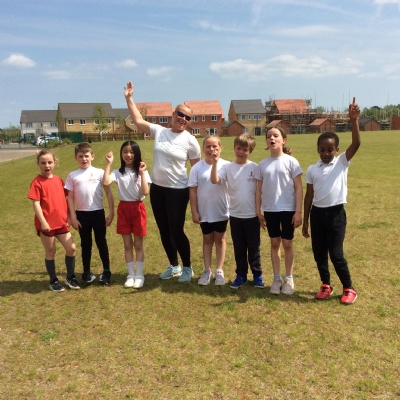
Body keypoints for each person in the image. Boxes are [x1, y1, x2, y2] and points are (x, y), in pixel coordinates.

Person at [124, 81, 201, 283]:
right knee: (164, 230)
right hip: (158, 189)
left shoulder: (190, 141)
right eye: (180, 114)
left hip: (178, 191)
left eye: (188, 117)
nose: (183, 119)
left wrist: (198, 196)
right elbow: (138, 120)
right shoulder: (160, 131)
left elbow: (197, 170)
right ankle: (174, 266)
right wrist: (129, 98)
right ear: (173, 114)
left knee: (176, 230)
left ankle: (188, 268)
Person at [302, 97, 361, 305]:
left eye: (330, 150)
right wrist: (306, 220)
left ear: (336, 150)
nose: (326, 153)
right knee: (319, 253)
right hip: (317, 214)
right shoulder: (312, 169)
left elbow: (356, 143)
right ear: (318, 150)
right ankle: (326, 284)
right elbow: (309, 196)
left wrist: (354, 120)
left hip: (336, 214)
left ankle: (349, 287)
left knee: (336, 253)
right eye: (322, 150)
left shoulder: (341, 162)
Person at [211, 133, 264, 289]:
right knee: (239, 248)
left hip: (252, 216)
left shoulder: (255, 167)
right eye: (238, 148)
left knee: (254, 248)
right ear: (234, 148)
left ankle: (257, 275)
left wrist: (258, 211)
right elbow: (214, 180)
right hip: (235, 216)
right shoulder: (227, 167)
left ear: (250, 151)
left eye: (245, 150)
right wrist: (215, 163)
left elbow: (259, 190)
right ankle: (241, 275)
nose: (241, 152)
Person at [256, 127, 303, 295]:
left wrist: (298, 212)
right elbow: (258, 189)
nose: (272, 139)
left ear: (283, 140)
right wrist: (258, 211)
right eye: (269, 136)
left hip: (288, 209)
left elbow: (299, 188)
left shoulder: (291, 162)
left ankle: (289, 278)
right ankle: (276, 279)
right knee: (274, 242)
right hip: (270, 210)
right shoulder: (262, 164)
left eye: (276, 136)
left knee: (287, 243)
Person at [28, 149, 79, 292]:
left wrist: (68, 216)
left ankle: (70, 277)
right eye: (43, 163)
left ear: (55, 163)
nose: (47, 165)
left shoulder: (58, 180)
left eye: (50, 162)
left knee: (71, 248)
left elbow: (66, 199)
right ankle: (53, 280)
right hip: (47, 225)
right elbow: (36, 203)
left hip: (61, 222)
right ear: (38, 164)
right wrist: (43, 222)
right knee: (50, 251)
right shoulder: (36, 182)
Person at [65, 142, 114, 286]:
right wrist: (73, 217)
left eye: (86, 156)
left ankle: (106, 271)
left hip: (98, 213)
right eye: (80, 156)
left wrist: (112, 212)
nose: (84, 159)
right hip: (82, 215)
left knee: (101, 242)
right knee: (85, 244)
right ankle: (86, 272)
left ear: (92, 156)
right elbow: (70, 197)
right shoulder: (72, 176)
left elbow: (109, 193)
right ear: (76, 158)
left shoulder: (99, 172)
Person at [103, 141, 151, 289]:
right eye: (125, 152)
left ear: (136, 154)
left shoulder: (142, 172)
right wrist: (109, 164)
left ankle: (139, 275)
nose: (128, 155)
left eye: (131, 152)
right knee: (127, 245)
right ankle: (130, 275)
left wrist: (142, 173)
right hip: (124, 209)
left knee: (138, 244)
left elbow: (145, 192)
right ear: (121, 154)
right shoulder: (118, 172)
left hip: (137, 208)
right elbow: (106, 182)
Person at [188, 136, 230, 286]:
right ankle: (207, 270)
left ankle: (219, 270)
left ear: (220, 148)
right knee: (207, 239)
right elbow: (193, 190)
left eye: (215, 146)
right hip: (204, 211)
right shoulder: (197, 168)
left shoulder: (227, 166)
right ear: (203, 149)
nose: (212, 150)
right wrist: (194, 211)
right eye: (208, 146)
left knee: (220, 239)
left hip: (221, 210)